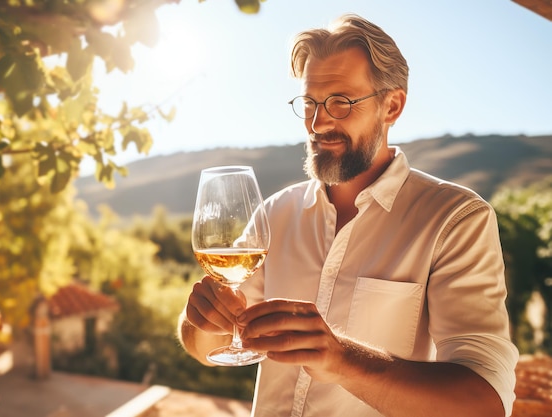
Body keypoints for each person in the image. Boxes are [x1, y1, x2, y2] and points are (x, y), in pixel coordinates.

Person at [177, 13, 518, 417]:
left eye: (341, 101)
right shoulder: (276, 214)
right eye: (309, 103)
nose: (319, 123)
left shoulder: (455, 220)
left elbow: (486, 404)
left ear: (392, 106)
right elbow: (205, 346)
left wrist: (342, 359)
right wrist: (202, 319)